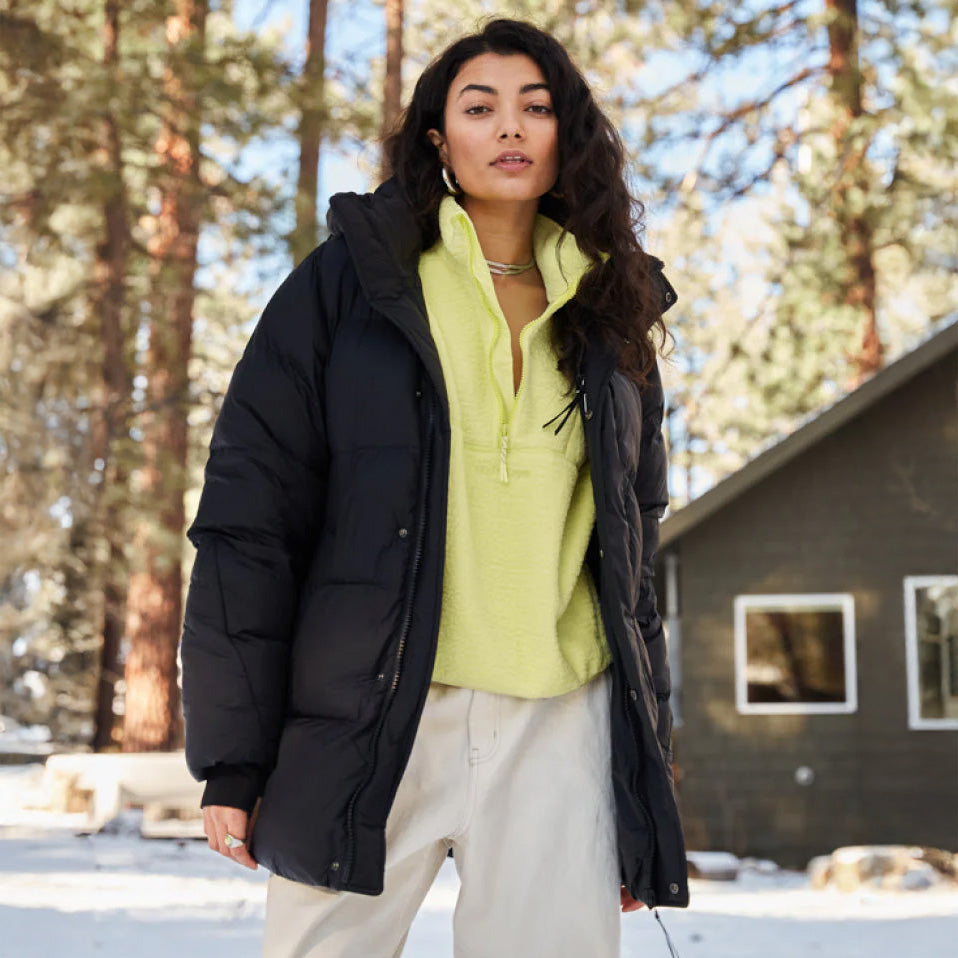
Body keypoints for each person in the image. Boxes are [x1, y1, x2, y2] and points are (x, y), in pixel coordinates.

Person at [180, 16, 689, 958]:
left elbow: (630, 555)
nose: (510, 128)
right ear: (436, 136)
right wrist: (234, 758)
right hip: (371, 711)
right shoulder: (349, 287)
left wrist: (640, 770)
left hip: (558, 723)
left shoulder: (613, 308)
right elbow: (250, 527)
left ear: (565, 134)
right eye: (480, 106)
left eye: (536, 108)